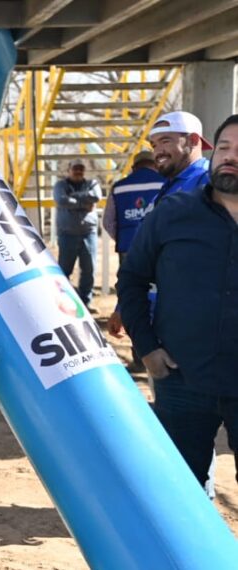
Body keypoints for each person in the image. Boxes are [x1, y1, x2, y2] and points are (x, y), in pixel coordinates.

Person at [117, 114, 238, 493]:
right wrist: (147, 346)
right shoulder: (173, 213)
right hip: (183, 380)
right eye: (225, 148)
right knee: (180, 492)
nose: (230, 157)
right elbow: (132, 279)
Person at [108, 113, 212, 337]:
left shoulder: (210, 182)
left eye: (166, 141)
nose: (158, 152)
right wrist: (125, 306)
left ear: (194, 141)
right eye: (154, 145)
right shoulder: (166, 190)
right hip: (165, 319)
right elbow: (147, 255)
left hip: (200, 325)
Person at [52, 159, 101, 310]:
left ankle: (86, 302)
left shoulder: (92, 183)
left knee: (89, 269)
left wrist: (74, 198)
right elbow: (61, 200)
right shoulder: (61, 185)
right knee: (64, 271)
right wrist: (83, 204)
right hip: (67, 234)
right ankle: (63, 303)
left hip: (88, 233)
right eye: (75, 168)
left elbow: (96, 197)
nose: (78, 171)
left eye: (81, 168)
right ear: (69, 170)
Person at [101, 150, 163, 266]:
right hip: (158, 247)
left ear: (133, 167)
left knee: (130, 283)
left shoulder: (118, 187)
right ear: (156, 164)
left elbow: (108, 222)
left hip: (127, 246)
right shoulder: (166, 183)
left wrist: (122, 236)